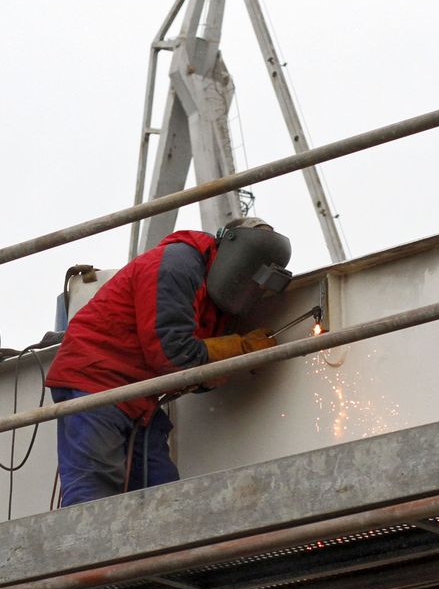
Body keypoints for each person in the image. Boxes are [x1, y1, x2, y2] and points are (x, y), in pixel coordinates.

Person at [44, 217, 292, 506]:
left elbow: (192, 374)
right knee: (95, 494)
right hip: (94, 382)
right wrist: (240, 349)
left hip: (140, 400)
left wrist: (229, 359)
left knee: (162, 497)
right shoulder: (177, 264)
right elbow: (171, 353)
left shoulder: (217, 304)